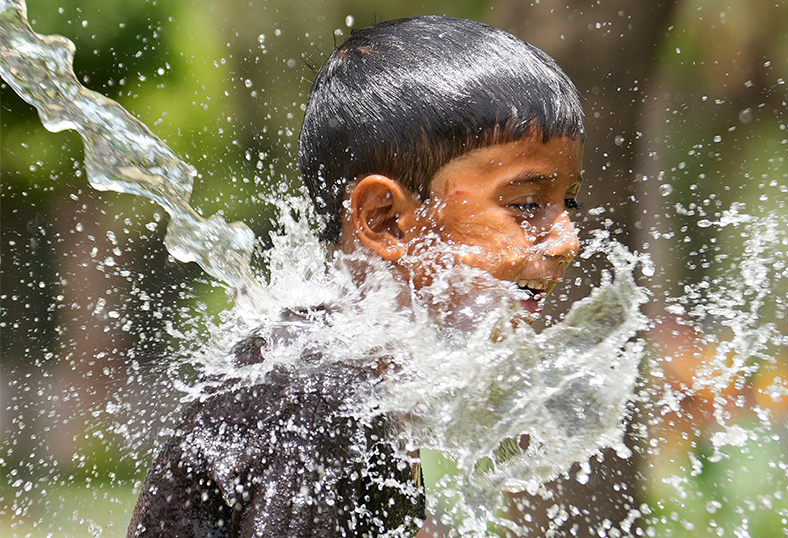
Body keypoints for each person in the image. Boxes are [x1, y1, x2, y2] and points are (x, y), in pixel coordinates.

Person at [127, 15, 584, 538]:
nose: (568, 240)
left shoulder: (354, 378)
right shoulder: (312, 402)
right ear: (385, 220)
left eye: (566, 201)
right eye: (526, 204)